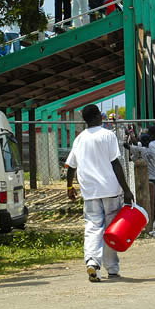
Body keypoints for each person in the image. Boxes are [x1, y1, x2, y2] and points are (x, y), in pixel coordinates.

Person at [65, 104, 134, 282]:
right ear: (97, 117)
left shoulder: (79, 139)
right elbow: (115, 164)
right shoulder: (107, 135)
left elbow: (71, 166)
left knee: (93, 227)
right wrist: (126, 189)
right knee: (111, 230)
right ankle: (112, 268)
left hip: (90, 191)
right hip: (110, 190)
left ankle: (92, 262)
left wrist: (69, 187)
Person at [140, 133, 155, 227]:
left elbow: (129, 147)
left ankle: (150, 220)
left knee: (149, 200)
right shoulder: (153, 152)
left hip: (149, 179)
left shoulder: (141, 150)